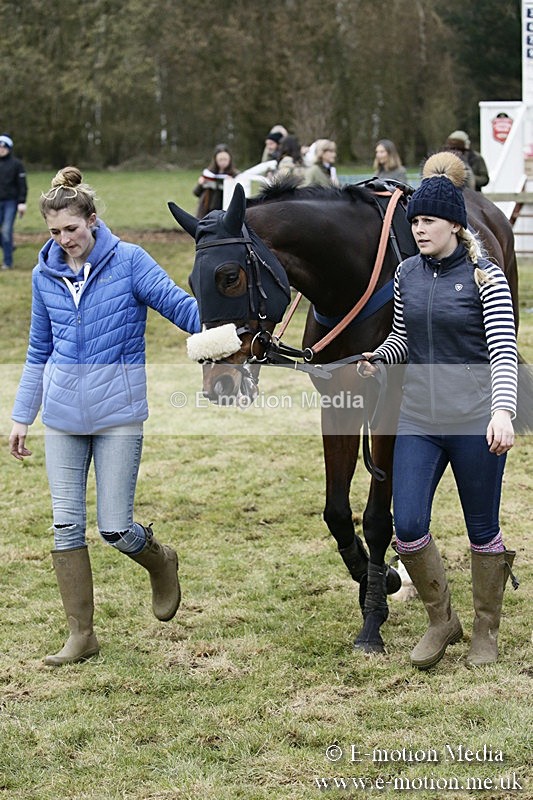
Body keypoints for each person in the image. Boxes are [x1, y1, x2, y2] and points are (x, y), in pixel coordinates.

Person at [9, 166, 200, 667]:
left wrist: (229, 323)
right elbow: (37, 349)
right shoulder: (43, 274)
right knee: (65, 527)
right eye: (55, 232)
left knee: (115, 528)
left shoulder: (130, 260)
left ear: (92, 220)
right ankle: (82, 636)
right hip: (64, 416)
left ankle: (160, 560)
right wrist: (22, 414)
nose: (65, 239)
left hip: (118, 413)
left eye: (72, 228)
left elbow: (181, 308)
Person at [358, 152, 518, 670]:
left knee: (482, 529)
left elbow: (502, 351)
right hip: (420, 421)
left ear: (454, 223)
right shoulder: (407, 274)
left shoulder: (485, 278)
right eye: (415, 222)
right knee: (406, 525)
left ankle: (485, 632)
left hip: (476, 421)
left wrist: (503, 413)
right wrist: (379, 358)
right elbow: (404, 337)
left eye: (427, 221)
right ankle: (441, 620)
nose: (419, 229)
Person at [0, 133, 27, 270]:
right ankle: (9, 246)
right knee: (4, 235)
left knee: (6, 231)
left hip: (11, 202)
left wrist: (22, 202)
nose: (1, 149)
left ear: (9, 148)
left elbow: (22, 185)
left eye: (3, 147)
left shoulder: (17, 165)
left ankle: (7, 262)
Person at [192, 144, 239, 219]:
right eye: (220, 160)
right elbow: (196, 193)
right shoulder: (208, 173)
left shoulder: (235, 175)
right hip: (205, 212)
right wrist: (200, 184)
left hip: (224, 213)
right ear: (215, 160)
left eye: (225, 159)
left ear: (230, 159)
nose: (223, 162)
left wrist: (231, 183)